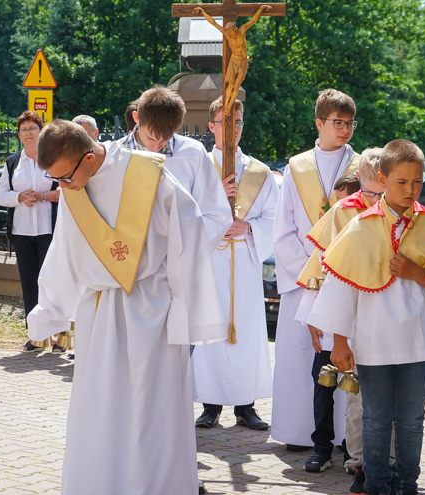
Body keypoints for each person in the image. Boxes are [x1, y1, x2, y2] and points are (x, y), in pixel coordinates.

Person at [28, 119, 226, 494]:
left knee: (154, 409)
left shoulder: (150, 175)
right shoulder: (74, 188)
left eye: (65, 177)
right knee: (100, 409)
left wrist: (187, 312)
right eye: (57, 181)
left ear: (88, 156)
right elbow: (64, 250)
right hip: (99, 312)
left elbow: (189, 239)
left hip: (153, 310)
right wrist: (50, 311)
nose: (62, 187)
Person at [309, 139, 425, 495]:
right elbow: (339, 286)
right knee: (376, 419)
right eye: (401, 182)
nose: (410, 190)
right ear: (381, 179)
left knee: (412, 420)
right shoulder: (361, 226)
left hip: (418, 341)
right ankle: (377, 484)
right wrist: (339, 342)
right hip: (373, 341)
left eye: (417, 182)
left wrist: (417, 272)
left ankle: (407, 484)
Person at [271, 88, 361, 452]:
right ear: (319, 122)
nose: (345, 130)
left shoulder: (363, 167)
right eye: (337, 122)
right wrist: (310, 269)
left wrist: (336, 267)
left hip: (346, 277)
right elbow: (284, 230)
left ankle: (341, 435)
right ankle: (297, 431)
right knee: (299, 360)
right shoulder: (297, 167)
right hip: (304, 278)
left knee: (341, 357)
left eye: (350, 123)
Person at [295, 149, 386, 486]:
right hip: (335, 314)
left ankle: (357, 457)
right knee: (325, 380)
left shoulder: (394, 212)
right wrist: (314, 315)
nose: (374, 197)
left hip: (376, 319)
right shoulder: (343, 213)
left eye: (380, 191)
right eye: (369, 190)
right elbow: (321, 265)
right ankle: (322, 447)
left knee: (364, 395)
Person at [192, 97, 277, 431]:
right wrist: (213, 195)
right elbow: (185, 211)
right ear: (211, 126)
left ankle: (246, 405)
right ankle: (210, 405)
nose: (233, 130)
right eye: (225, 123)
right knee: (211, 328)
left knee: (246, 330)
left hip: (244, 258)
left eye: (238, 123)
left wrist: (249, 227)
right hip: (211, 260)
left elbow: (274, 216)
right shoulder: (199, 168)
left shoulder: (259, 172)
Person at [120, 85, 231, 248]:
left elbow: (216, 214)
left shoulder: (193, 153)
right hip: (128, 253)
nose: (156, 148)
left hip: (177, 256)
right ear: (136, 118)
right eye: (151, 138)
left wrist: (184, 246)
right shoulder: (115, 154)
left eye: (165, 139)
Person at [0, 111, 59, 352]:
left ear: (41, 131)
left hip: (49, 230)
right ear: (19, 136)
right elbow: (0, 196)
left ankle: (57, 336)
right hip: (22, 231)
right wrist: (20, 197)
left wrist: (42, 196)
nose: (28, 133)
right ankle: (35, 335)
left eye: (32, 128)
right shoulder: (13, 163)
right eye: (23, 130)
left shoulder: (52, 158)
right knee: (29, 284)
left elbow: (65, 190)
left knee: (51, 282)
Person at [193, 5, 272, 114]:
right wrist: (202, 12)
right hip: (234, 61)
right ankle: (226, 107)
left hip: (243, 61)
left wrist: (261, 9)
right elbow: (214, 23)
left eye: (231, 31)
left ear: (234, 28)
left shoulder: (242, 31)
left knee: (236, 85)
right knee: (231, 84)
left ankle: (229, 105)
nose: (230, 33)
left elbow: (253, 21)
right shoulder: (228, 36)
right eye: (228, 31)